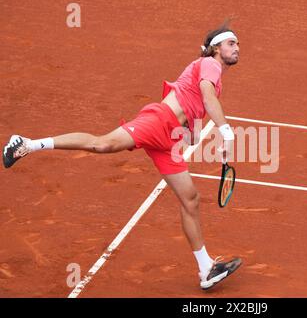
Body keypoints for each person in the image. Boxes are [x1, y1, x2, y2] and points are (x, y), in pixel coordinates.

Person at [2, 22, 242, 290]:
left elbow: (194, 129)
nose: (237, 48)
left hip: (169, 140)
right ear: (215, 48)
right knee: (102, 145)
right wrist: (226, 131)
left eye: (237, 44)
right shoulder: (209, 64)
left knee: (190, 199)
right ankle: (27, 144)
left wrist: (200, 136)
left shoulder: (213, 83)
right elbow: (208, 100)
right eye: (231, 43)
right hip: (158, 121)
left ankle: (205, 268)